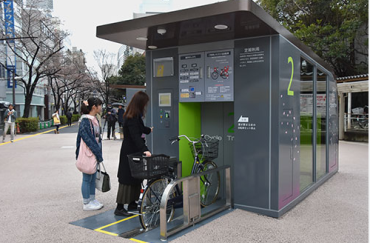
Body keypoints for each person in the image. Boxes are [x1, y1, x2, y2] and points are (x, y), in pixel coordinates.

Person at [115, 91, 153, 216]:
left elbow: (140, 129)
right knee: (126, 179)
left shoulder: (135, 115)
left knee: (136, 177)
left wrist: (148, 130)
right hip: (129, 151)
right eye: (145, 103)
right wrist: (145, 149)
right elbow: (135, 136)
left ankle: (132, 202)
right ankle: (120, 207)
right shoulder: (131, 117)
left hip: (134, 151)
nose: (145, 105)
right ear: (140, 103)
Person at [76, 98, 104, 211]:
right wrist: (97, 152)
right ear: (94, 107)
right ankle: (86, 202)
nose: (101, 108)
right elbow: (88, 139)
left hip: (93, 152)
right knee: (87, 177)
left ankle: (92, 199)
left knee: (92, 177)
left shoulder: (94, 119)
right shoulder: (85, 120)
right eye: (100, 105)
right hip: (89, 153)